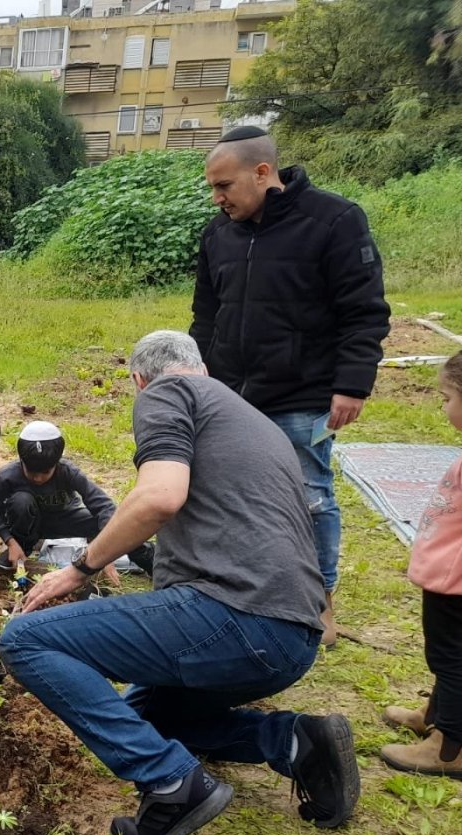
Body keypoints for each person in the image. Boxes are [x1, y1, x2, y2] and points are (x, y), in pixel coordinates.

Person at [0, 332, 358, 835]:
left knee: (26, 639)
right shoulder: (252, 419)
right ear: (202, 367)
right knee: (144, 716)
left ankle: (169, 782)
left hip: (236, 616)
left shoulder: (169, 394)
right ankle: (294, 742)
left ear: (140, 380)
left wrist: (80, 569)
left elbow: (161, 497)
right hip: (289, 639)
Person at [190, 125, 391, 646]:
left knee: (309, 496)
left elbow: (363, 310)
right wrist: (198, 378)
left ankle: (318, 606)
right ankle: (242, 589)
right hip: (232, 392)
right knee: (230, 492)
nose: (217, 198)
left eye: (224, 186)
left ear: (263, 173)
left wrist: (352, 383)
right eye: (212, 188)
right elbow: (206, 315)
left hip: (304, 392)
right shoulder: (218, 233)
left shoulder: (335, 221)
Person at [380, 353, 462, 778]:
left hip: (457, 583)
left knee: (453, 659)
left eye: (446, 397)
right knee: (445, 656)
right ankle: (435, 714)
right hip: (448, 575)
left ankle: (448, 748)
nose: (443, 407)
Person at [0, 420, 154, 578]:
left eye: (46, 472)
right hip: (27, 524)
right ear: (22, 462)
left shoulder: (68, 472)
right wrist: (10, 541)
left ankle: (149, 559)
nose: (38, 479)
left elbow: (103, 506)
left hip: (64, 520)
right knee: (21, 501)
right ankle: (22, 547)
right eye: (32, 473)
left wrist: (105, 550)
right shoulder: (7, 476)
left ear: (56, 463)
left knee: (115, 522)